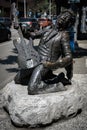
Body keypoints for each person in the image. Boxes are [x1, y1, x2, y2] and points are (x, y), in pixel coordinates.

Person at [14, 9, 75, 95]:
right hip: (36, 60)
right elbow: (32, 35)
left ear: (68, 23)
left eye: (66, 18)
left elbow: (69, 57)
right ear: (58, 16)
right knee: (17, 79)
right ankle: (47, 80)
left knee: (32, 89)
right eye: (63, 15)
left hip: (46, 64)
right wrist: (21, 29)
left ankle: (57, 85)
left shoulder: (64, 35)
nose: (63, 18)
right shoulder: (48, 28)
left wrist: (52, 65)